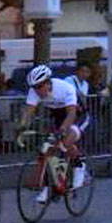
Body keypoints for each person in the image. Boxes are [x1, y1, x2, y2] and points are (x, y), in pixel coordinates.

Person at [19, 64, 90, 203]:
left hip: (78, 116)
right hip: (58, 116)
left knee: (65, 142)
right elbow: (28, 112)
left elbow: (71, 114)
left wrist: (62, 131)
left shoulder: (65, 88)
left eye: (40, 87)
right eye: (35, 88)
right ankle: (48, 187)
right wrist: (22, 128)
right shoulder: (34, 92)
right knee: (49, 151)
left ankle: (79, 164)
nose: (37, 91)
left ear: (48, 82)